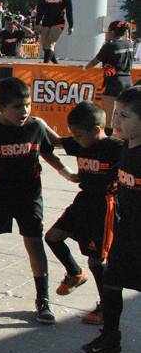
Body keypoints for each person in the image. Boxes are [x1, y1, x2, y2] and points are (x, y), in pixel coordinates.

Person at [0, 77, 77, 324]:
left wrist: (68, 174)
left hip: (30, 197)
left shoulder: (36, 127)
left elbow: (49, 155)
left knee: (34, 243)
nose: (24, 110)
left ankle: (43, 298)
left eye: (27, 104)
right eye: (17, 106)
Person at [43, 101, 121, 326]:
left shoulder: (116, 148)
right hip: (83, 201)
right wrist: (40, 123)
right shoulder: (80, 143)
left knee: (97, 260)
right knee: (53, 237)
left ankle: (106, 307)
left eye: (78, 135)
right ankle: (75, 273)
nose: (75, 140)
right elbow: (57, 141)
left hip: (104, 207)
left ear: (96, 131)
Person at [82, 87, 141, 353]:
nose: (116, 121)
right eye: (115, 113)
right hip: (125, 230)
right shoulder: (123, 147)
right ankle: (110, 336)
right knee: (112, 281)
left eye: (125, 116)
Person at [85, 20, 134, 129]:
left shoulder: (110, 46)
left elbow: (94, 62)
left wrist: (84, 69)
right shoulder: (129, 44)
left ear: (112, 32)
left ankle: (109, 141)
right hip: (128, 81)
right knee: (124, 115)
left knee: (108, 119)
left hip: (114, 82)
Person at [35, 0, 73, 64]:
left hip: (58, 23)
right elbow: (40, 10)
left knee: (50, 43)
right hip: (46, 22)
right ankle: (56, 64)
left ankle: (45, 65)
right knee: (45, 46)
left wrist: (71, 25)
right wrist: (37, 23)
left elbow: (69, 11)